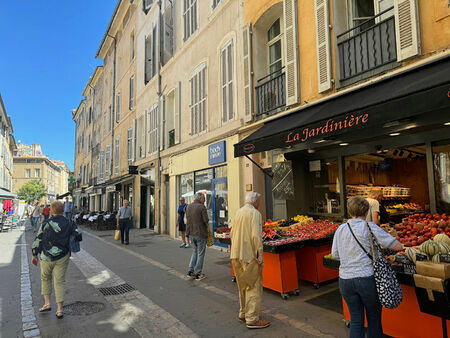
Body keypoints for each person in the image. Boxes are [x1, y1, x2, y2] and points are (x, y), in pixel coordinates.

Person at [332, 197, 403, 338]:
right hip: (366, 279)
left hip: (345, 281)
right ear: (367, 210)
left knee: (356, 320)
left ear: (349, 211)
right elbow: (396, 245)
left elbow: (335, 254)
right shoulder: (369, 227)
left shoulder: (340, 229)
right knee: (373, 318)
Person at [31, 201, 81, 319]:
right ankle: (59, 310)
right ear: (63, 210)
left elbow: (38, 239)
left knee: (45, 278)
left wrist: (34, 255)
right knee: (59, 281)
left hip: (46, 257)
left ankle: (47, 303)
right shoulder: (69, 223)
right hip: (62, 256)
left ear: (52, 211)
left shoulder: (46, 223)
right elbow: (79, 236)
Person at [230, 192, 270, 329]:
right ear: (255, 202)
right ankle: (252, 318)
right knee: (253, 286)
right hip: (249, 256)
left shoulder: (238, 212)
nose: (259, 204)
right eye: (258, 201)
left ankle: (243, 312)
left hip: (235, 254)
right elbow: (256, 236)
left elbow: (232, 233)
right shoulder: (255, 214)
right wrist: (260, 256)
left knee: (242, 286)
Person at [186, 192, 209, 280]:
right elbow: (206, 220)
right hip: (200, 233)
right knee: (200, 254)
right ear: (200, 199)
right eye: (204, 198)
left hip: (191, 233)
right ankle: (198, 273)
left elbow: (188, 221)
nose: (205, 200)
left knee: (195, 252)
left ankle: (190, 270)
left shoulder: (189, 206)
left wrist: (187, 234)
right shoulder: (202, 207)